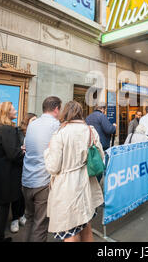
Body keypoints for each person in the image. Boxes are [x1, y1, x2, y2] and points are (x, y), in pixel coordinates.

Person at [44, 101, 104, 242]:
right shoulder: (90, 130)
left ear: (65, 113)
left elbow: (53, 167)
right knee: (86, 228)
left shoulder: (60, 133)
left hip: (67, 188)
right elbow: (100, 156)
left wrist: (47, 151)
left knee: (70, 232)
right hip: (87, 185)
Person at [22, 96, 61, 242]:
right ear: (56, 109)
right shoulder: (55, 125)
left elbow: (26, 146)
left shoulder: (33, 124)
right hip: (42, 181)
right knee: (40, 224)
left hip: (26, 179)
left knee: (29, 219)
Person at [0, 102, 24, 242]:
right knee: (1, 214)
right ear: (7, 112)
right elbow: (13, 155)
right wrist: (23, 151)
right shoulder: (8, 130)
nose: (16, 110)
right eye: (13, 108)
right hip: (4, 180)